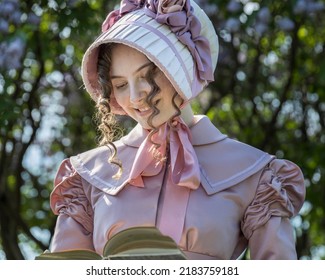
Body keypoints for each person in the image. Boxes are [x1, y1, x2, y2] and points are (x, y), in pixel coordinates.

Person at [49, 0, 305, 260]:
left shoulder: (255, 173)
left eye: (147, 76)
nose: (136, 96)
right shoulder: (85, 176)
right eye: (121, 84)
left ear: (181, 71)